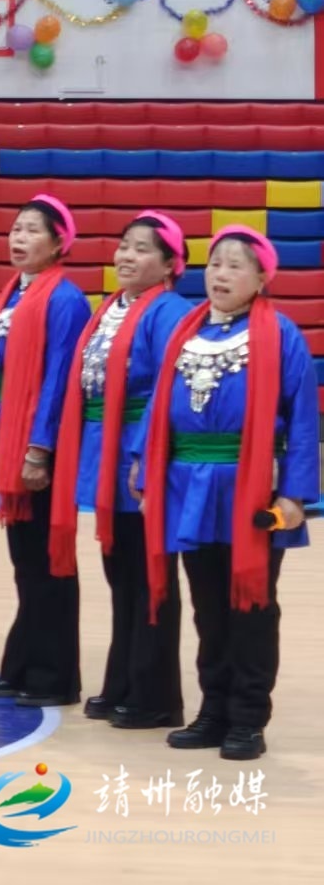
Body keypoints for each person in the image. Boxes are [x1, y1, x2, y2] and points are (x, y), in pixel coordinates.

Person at [139, 226, 318, 761]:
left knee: (251, 603)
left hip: (250, 487)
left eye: (236, 265)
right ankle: (213, 711)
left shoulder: (281, 335)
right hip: (188, 486)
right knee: (207, 604)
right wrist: (143, 466)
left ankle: (247, 718)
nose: (220, 274)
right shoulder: (186, 332)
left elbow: (303, 419)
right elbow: (159, 403)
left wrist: (294, 495)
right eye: (215, 263)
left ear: (262, 278)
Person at [48, 212, 190, 729]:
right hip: (102, 448)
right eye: (124, 245)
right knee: (121, 573)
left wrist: (141, 456)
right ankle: (123, 680)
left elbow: (165, 389)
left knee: (149, 575)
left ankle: (156, 695)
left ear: (171, 265)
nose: (126, 256)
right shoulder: (110, 307)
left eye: (142, 248)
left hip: (137, 452)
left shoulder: (170, 311)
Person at [0, 195, 91, 709]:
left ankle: (54, 677)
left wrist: (39, 449)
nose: (19, 238)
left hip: (38, 442)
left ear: (59, 243)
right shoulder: (11, 294)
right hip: (7, 433)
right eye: (16, 228)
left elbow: (59, 380)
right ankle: (22, 665)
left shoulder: (65, 299)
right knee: (26, 562)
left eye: (32, 230)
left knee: (47, 561)